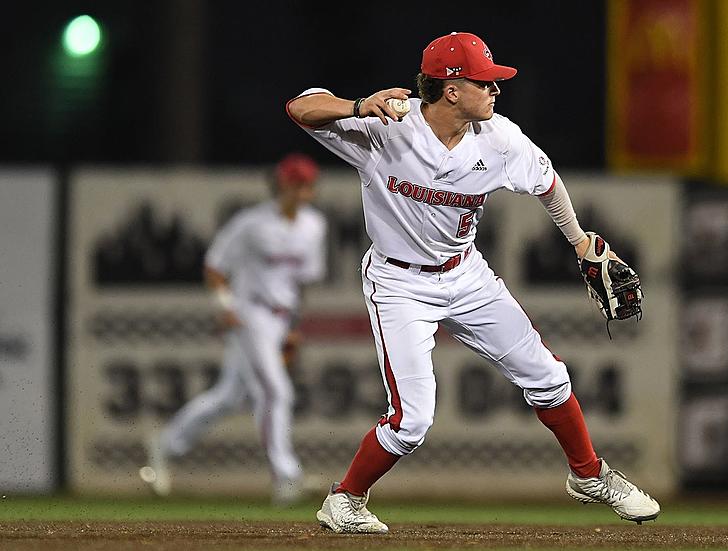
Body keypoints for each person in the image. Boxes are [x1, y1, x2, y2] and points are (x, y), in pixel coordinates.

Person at [286, 32, 660, 533]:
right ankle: (345, 499)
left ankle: (589, 476)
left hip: (466, 274)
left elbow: (548, 183)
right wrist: (357, 104)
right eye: (485, 82)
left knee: (550, 378)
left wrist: (578, 241)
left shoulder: (499, 138)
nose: (495, 90)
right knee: (412, 422)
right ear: (452, 88)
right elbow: (299, 107)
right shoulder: (388, 125)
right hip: (399, 284)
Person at [141, 153, 327, 506]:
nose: (303, 190)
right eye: (297, 183)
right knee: (276, 392)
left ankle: (165, 445)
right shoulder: (251, 223)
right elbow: (214, 265)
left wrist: (294, 327)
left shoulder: (314, 225)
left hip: (280, 317)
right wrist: (224, 307)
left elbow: (302, 283)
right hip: (250, 314)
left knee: (228, 396)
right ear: (282, 183)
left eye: (308, 184)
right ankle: (287, 478)